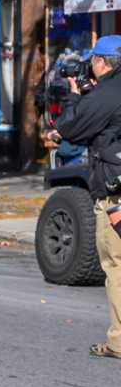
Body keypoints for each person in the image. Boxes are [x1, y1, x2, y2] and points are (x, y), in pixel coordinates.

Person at [48, 33, 121, 358]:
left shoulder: (107, 92)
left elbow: (71, 127)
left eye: (93, 60)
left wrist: (74, 98)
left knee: (116, 265)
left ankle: (119, 342)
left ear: (101, 62)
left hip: (116, 193)